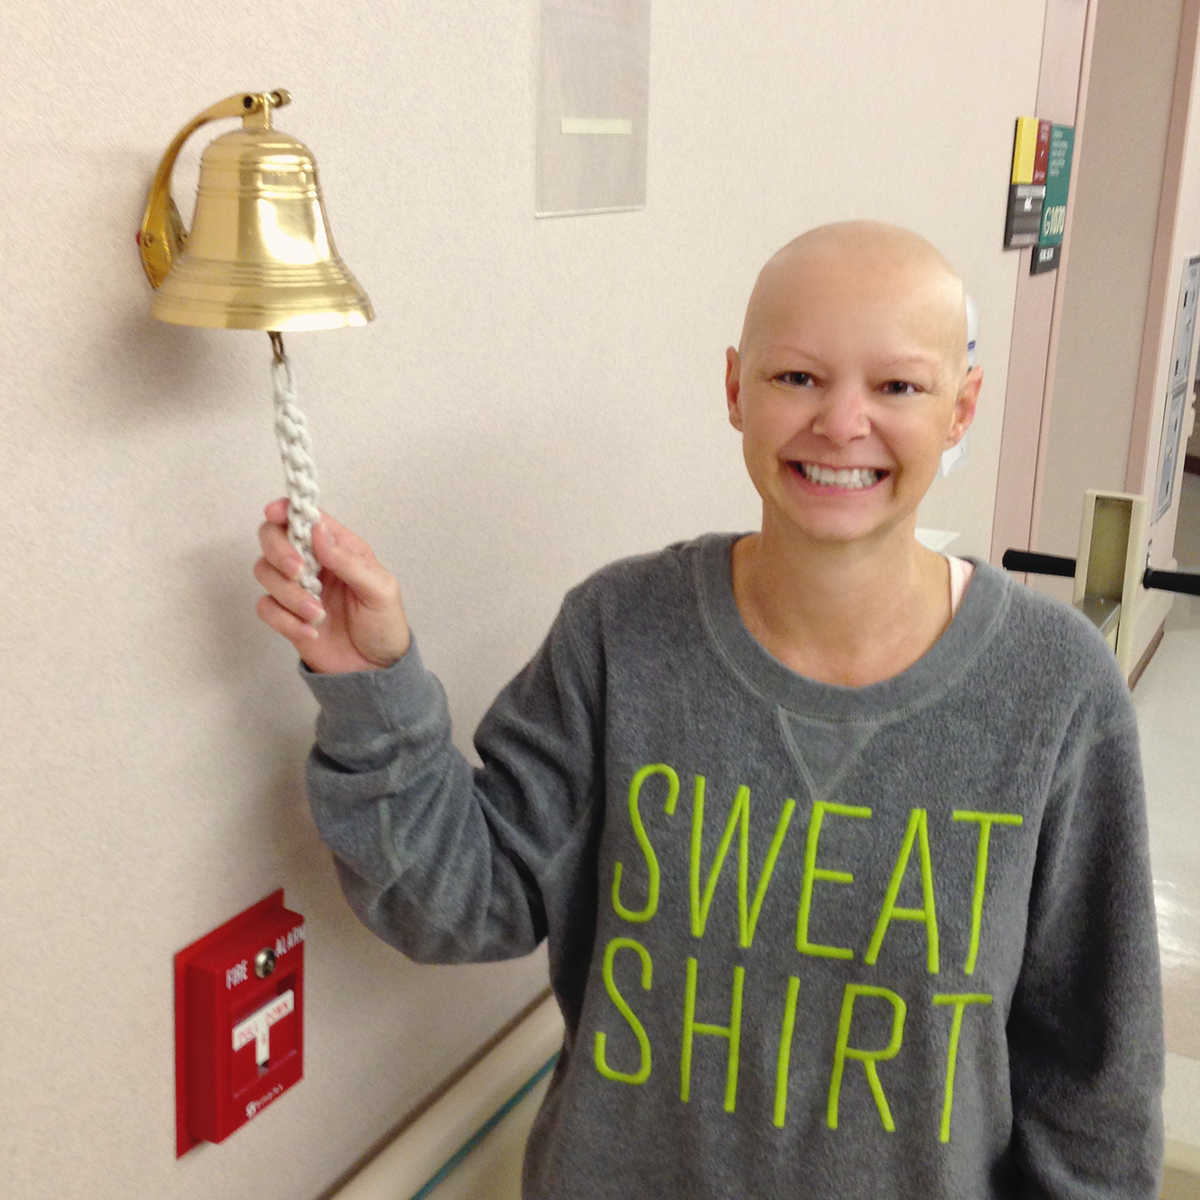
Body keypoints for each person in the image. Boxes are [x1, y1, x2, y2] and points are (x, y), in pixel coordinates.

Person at [254, 221, 1164, 1197]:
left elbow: (1097, 1071)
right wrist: (374, 686)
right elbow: (466, 905)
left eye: (897, 386)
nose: (842, 423)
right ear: (736, 388)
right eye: (797, 378)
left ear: (961, 408)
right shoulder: (620, 631)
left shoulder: (1053, 687)